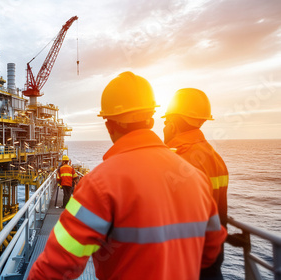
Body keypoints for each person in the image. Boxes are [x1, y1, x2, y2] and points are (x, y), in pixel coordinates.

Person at [28, 72, 227, 280]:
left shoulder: (98, 184)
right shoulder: (197, 178)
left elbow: (57, 266)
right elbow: (211, 249)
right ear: (151, 119)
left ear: (108, 125)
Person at [162, 88, 229, 280]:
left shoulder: (177, 160)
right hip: (214, 257)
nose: (164, 127)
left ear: (173, 124)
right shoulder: (216, 160)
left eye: (166, 122)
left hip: (185, 261)